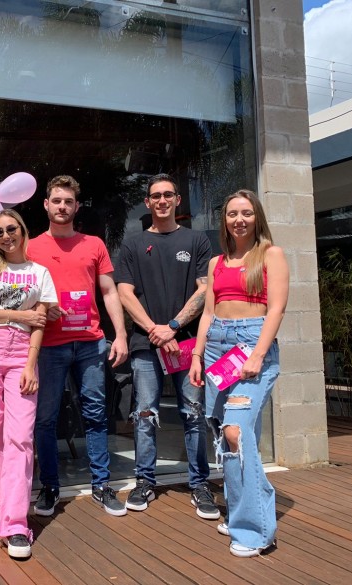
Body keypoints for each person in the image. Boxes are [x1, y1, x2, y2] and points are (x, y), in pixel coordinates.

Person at [189, 189, 288, 557]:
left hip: (252, 345)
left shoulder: (271, 255)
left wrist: (258, 355)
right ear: (225, 220)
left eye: (246, 213)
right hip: (217, 346)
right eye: (232, 214)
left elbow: (276, 309)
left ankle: (257, 531)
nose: (239, 219)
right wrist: (197, 354)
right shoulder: (217, 262)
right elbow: (209, 313)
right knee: (230, 434)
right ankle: (239, 511)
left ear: (256, 216)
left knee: (235, 430)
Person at [115, 173, 218, 519]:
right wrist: (154, 330)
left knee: (194, 413)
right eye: (155, 196)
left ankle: (199, 484)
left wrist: (173, 327)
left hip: (187, 345)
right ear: (147, 202)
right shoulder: (132, 245)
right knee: (145, 414)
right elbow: (124, 293)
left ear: (177, 200)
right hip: (146, 345)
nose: (161, 200)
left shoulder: (197, 240)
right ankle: (144, 481)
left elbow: (205, 289)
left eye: (167, 195)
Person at [29, 175, 129, 518]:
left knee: (96, 415)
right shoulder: (30, 248)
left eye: (68, 201)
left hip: (91, 343)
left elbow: (109, 292)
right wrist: (39, 309)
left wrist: (121, 334)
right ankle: (50, 487)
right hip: (49, 344)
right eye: (56, 201)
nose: (62, 206)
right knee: (45, 418)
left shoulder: (94, 244)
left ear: (76, 206)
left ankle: (101, 484)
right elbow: (19, 293)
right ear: (46, 204)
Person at [0, 209, 57, 560]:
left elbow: (40, 323)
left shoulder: (39, 272)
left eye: (11, 229)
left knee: (20, 437)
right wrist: (21, 314)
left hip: (21, 353)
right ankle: (3, 505)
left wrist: (31, 364)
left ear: (22, 230)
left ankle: (16, 524)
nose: (6, 236)